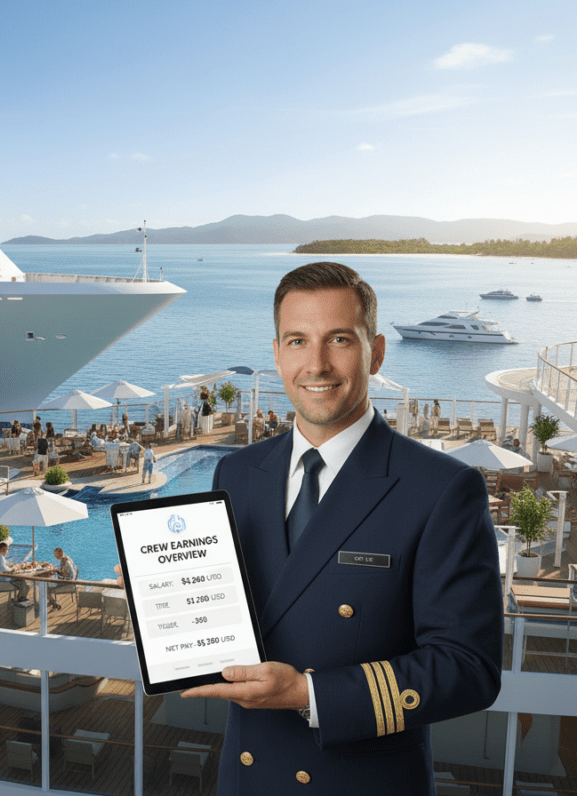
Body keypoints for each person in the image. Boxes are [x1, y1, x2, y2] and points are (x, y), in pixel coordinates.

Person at [183, 262, 501, 795]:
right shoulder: (235, 472)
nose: (317, 364)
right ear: (278, 353)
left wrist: (309, 695)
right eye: (297, 341)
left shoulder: (441, 488)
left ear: (375, 352)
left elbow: (468, 668)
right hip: (245, 779)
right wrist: (168, 597)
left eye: (338, 339)